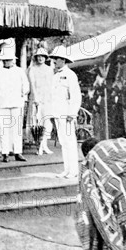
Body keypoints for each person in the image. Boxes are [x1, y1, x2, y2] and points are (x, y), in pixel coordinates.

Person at [0, 46, 29, 162]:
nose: (7, 62)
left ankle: (18, 152)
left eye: (9, 59)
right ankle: (5, 152)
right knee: (4, 128)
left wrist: (23, 98)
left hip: (17, 102)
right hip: (3, 103)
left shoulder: (20, 71)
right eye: (5, 60)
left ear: (13, 60)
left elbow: (26, 86)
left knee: (17, 128)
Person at [46, 46, 81, 179]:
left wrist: (72, 114)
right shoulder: (55, 76)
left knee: (70, 142)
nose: (55, 61)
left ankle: (74, 170)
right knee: (63, 142)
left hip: (67, 114)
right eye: (55, 59)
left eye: (58, 59)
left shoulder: (71, 75)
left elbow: (75, 96)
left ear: (64, 60)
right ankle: (67, 170)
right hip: (57, 113)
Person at [26, 48, 54, 155]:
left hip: (47, 98)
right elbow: (32, 84)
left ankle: (44, 145)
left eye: (42, 56)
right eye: (38, 56)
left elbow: (51, 85)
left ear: (45, 58)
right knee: (36, 122)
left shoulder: (49, 69)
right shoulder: (32, 69)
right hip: (36, 99)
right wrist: (36, 98)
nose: (40, 58)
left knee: (46, 121)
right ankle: (38, 146)